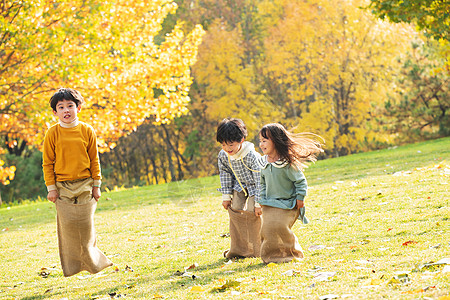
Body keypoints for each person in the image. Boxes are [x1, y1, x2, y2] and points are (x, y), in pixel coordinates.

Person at [42, 88, 112, 277]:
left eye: (70, 106)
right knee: (68, 227)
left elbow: (94, 160)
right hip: (62, 186)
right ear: (55, 112)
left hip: (85, 184)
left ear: (78, 108)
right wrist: (51, 188)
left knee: (85, 225)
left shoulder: (87, 130)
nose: (66, 110)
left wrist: (96, 185)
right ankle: (73, 267)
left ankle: (94, 263)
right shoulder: (52, 133)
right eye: (61, 107)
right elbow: (47, 163)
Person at [257, 123, 323, 263]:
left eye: (264, 140)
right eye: (260, 141)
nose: (261, 144)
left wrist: (300, 199)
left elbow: (300, 182)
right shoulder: (263, 163)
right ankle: (270, 256)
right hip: (269, 203)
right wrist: (260, 200)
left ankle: (292, 253)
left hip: (288, 203)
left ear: (275, 141)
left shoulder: (287, 163)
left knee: (280, 226)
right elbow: (262, 183)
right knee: (267, 229)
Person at [216, 118, 262, 258]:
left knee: (251, 211)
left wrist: (259, 203)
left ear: (241, 140)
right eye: (223, 144)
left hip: (255, 185)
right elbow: (225, 175)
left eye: (231, 144)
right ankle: (239, 247)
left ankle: (257, 247)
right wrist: (226, 197)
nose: (227, 148)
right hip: (240, 185)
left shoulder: (251, 155)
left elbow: (259, 179)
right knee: (235, 209)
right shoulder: (224, 156)